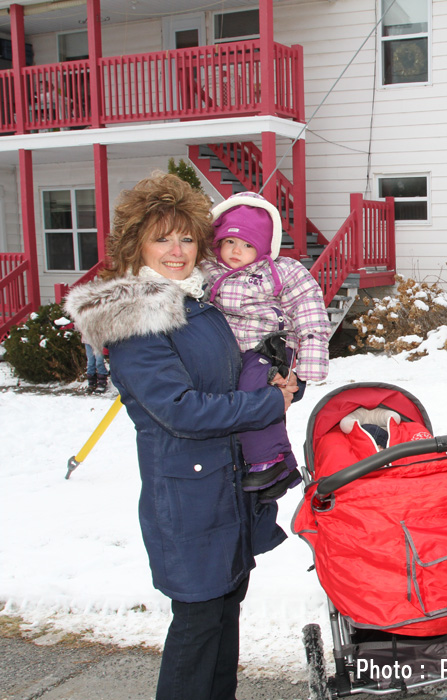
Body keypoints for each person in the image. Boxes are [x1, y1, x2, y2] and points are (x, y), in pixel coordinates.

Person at [63, 173, 301, 700]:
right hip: (189, 499)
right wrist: (267, 404)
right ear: (136, 245)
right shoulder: (135, 318)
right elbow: (181, 410)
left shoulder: (198, 303)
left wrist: (282, 382)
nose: (177, 250)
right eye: (162, 238)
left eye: (187, 237)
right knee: (197, 628)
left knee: (224, 616)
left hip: (228, 487)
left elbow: (234, 373)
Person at [201, 192, 330, 497]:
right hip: (228, 351)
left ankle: (269, 461)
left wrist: (311, 359)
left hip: (266, 348)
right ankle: (276, 462)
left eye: (248, 245)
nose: (237, 251)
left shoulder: (280, 271)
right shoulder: (208, 269)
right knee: (230, 399)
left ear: (263, 247)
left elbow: (309, 309)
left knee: (254, 394)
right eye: (230, 241)